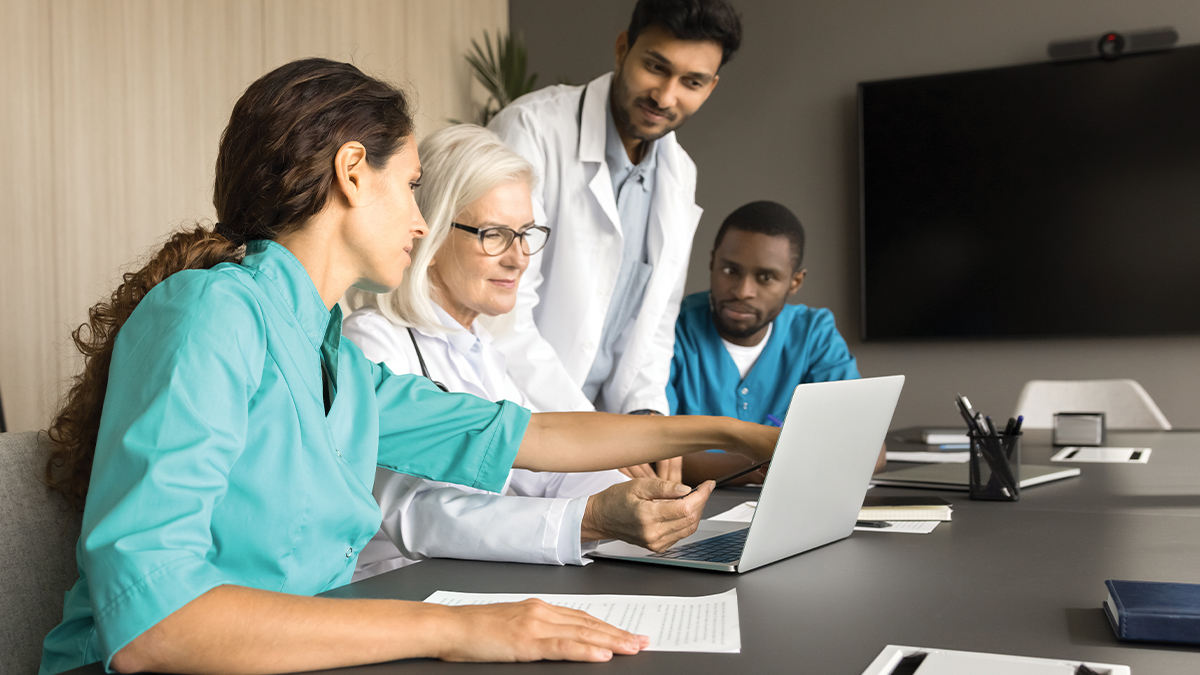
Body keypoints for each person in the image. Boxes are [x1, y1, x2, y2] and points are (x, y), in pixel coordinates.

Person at [37, 59, 778, 675]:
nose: (423, 222)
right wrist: (457, 630)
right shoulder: (211, 315)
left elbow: (528, 435)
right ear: (354, 171)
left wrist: (730, 432)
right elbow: (153, 624)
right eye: (413, 185)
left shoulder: (330, 354)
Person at [343, 125, 707, 579]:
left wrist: (644, 497)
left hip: (477, 575)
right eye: (494, 234)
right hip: (398, 585)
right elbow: (415, 513)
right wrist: (590, 517)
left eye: (525, 233)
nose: (519, 258)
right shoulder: (371, 343)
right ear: (429, 235)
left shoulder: (484, 350)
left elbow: (546, 474)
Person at [486, 0, 742, 432]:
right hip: (517, 414)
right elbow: (500, 312)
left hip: (599, 428)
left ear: (711, 87)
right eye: (656, 67)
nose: (665, 96)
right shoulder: (529, 131)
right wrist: (596, 435)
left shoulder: (680, 174)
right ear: (623, 48)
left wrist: (647, 418)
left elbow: (656, 321)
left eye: (691, 82)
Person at [667, 201, 881, 485]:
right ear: (712, 263)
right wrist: (774, 463)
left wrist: (746, 464)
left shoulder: (813, 334)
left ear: (795, 282)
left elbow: (869, 449)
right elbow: (652, 454)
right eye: (730, 271)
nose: (743, 291)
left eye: (765, 277)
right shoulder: (670, 328)